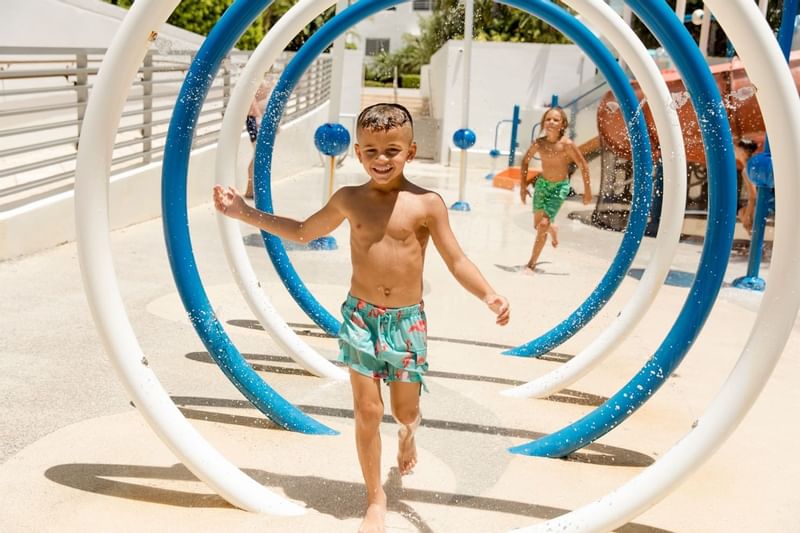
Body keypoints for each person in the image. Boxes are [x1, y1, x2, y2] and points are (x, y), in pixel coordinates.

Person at [213, 103, 510, 533]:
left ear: (411, 150)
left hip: (407, 322)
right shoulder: (349, 199)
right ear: (356, 151)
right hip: (360, 318)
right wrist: (245, 212)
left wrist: (489, 295)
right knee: (367, 411)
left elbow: (456, 259)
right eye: (371, 151)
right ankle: (375, 498)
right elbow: (302, 232)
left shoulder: (427, 204)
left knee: (405, 412)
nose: (381, 159)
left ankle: (408, 435)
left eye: (392, 149)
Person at [518, 107, 592, 272]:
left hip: (559, 187)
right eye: (548, 119)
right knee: (538, 225)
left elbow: (583, 165)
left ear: (563, 124)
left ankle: (531, 264)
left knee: (542, 225)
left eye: (556, 120)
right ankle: (553, 228)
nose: (551, 122)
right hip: (542, 185)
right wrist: (523, 187)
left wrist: (587, 191)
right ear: (543, 123)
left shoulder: (567, 145)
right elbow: (525, 162)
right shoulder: (540, 143)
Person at [245, 79, 273, 199]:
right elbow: (253, 106)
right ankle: (251, 190)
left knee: (258, 156)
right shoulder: (258, 80)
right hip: (255, 120)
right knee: (258, 156)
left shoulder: (260, 79)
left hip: (255, 120)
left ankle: (251, 190)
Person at [734, 137, 758, 233]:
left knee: (744, 216)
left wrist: (747, 217)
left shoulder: (747, 169)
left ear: (744, 151)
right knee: (741, 212)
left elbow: (753, 196)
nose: (734, 150)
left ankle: (755, 243)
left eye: (736, 149)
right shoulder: (752, 165)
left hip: (762, 204)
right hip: (766, 201)